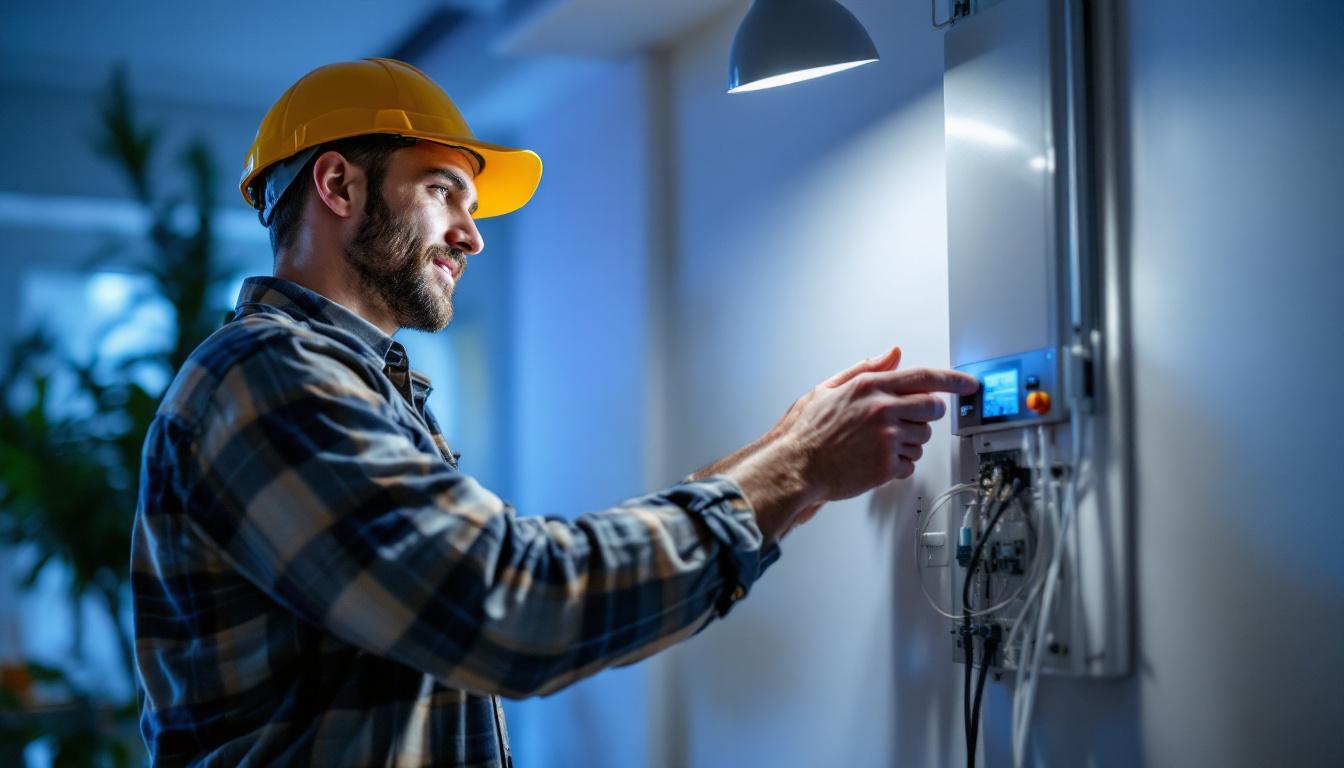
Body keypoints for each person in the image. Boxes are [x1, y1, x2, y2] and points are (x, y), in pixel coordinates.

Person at [131, 58, 978, 766]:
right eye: (443, 190)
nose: (473, 234)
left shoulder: (355, 385)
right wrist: (797, 466)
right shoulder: (270, 376)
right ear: (338, 183)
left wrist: (788, 452)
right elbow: (510, 607)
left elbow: (489, 586)